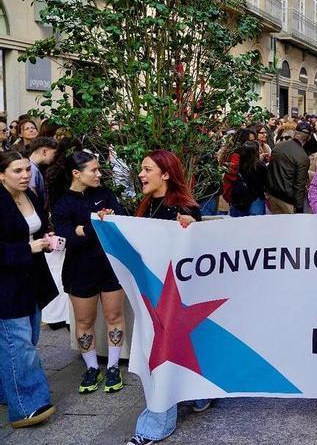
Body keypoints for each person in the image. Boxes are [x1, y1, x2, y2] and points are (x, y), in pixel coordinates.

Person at [127, 150, 210, 445]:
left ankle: (155, 425)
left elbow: (199, 256)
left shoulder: (185, 207)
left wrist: (192, 228)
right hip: (154, 297)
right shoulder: (148, 205)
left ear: (165, 174)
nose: (140, 174)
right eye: (141, 168)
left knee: (164, 355)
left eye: (146, 169)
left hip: (174, 300)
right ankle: (198, 394)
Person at [51, 151, 128, 394]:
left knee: (114, 316)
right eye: (93, 170)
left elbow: (120, 222)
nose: (98, 174)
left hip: (109, 266)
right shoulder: (62, 202)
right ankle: (92, 367)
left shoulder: (105, 194)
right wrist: (92, 225)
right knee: (84, 321)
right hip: (79, 270)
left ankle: (113, 367)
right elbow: (66, 238)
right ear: (76, 173)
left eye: (98, 169)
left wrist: (89, 227)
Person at [0, 150, 58, 429]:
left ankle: (6, 391)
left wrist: (46, 237)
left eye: (26, 170)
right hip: (6, 286)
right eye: (17, 171)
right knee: (19, 345)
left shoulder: (31, 195)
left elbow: (37, 227)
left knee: (27, 339)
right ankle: (27, 406)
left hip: (32, 281)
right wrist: (27, 248)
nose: (25, 176)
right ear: (1, 175)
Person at [267, 122, 311, 214]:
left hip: (273, 196)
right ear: (309, 138)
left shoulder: (278, 147)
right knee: (290, 227)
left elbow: (270, 171)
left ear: (295, 132)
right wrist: (299, 208)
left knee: (276, 227)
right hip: (288, 201)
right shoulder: (303, 156)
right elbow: (300, 185)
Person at [226, 141, 268, 217]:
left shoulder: (238, 166)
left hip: (239, 200)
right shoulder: (260, 166)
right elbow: (266, 183)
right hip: (256, 199)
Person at [27, 137, 59, 205]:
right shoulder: (32, 170)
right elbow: (33, 194)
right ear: (44, 151)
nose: (55, 157)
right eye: (54, 153)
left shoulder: (34, 167)